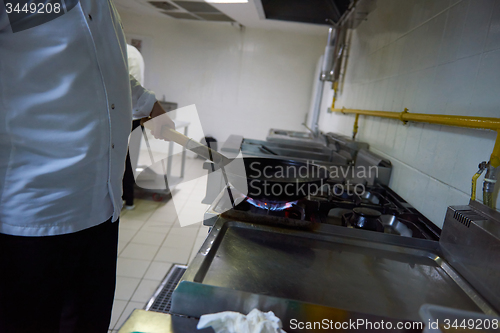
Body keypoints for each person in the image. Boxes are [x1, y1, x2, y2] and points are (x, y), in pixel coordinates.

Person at [0, 1, 174, 332]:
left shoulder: (103, 7)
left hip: (101, 208)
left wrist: (156, 112)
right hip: (35, 216)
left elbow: (110, 74)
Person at [122, 43, 146, 210]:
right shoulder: (135, 52)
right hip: (137, 115)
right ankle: (129, 200)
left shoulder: (121, 50)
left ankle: (125, 199)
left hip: (127, 116)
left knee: (123, 160)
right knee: (132, 159)